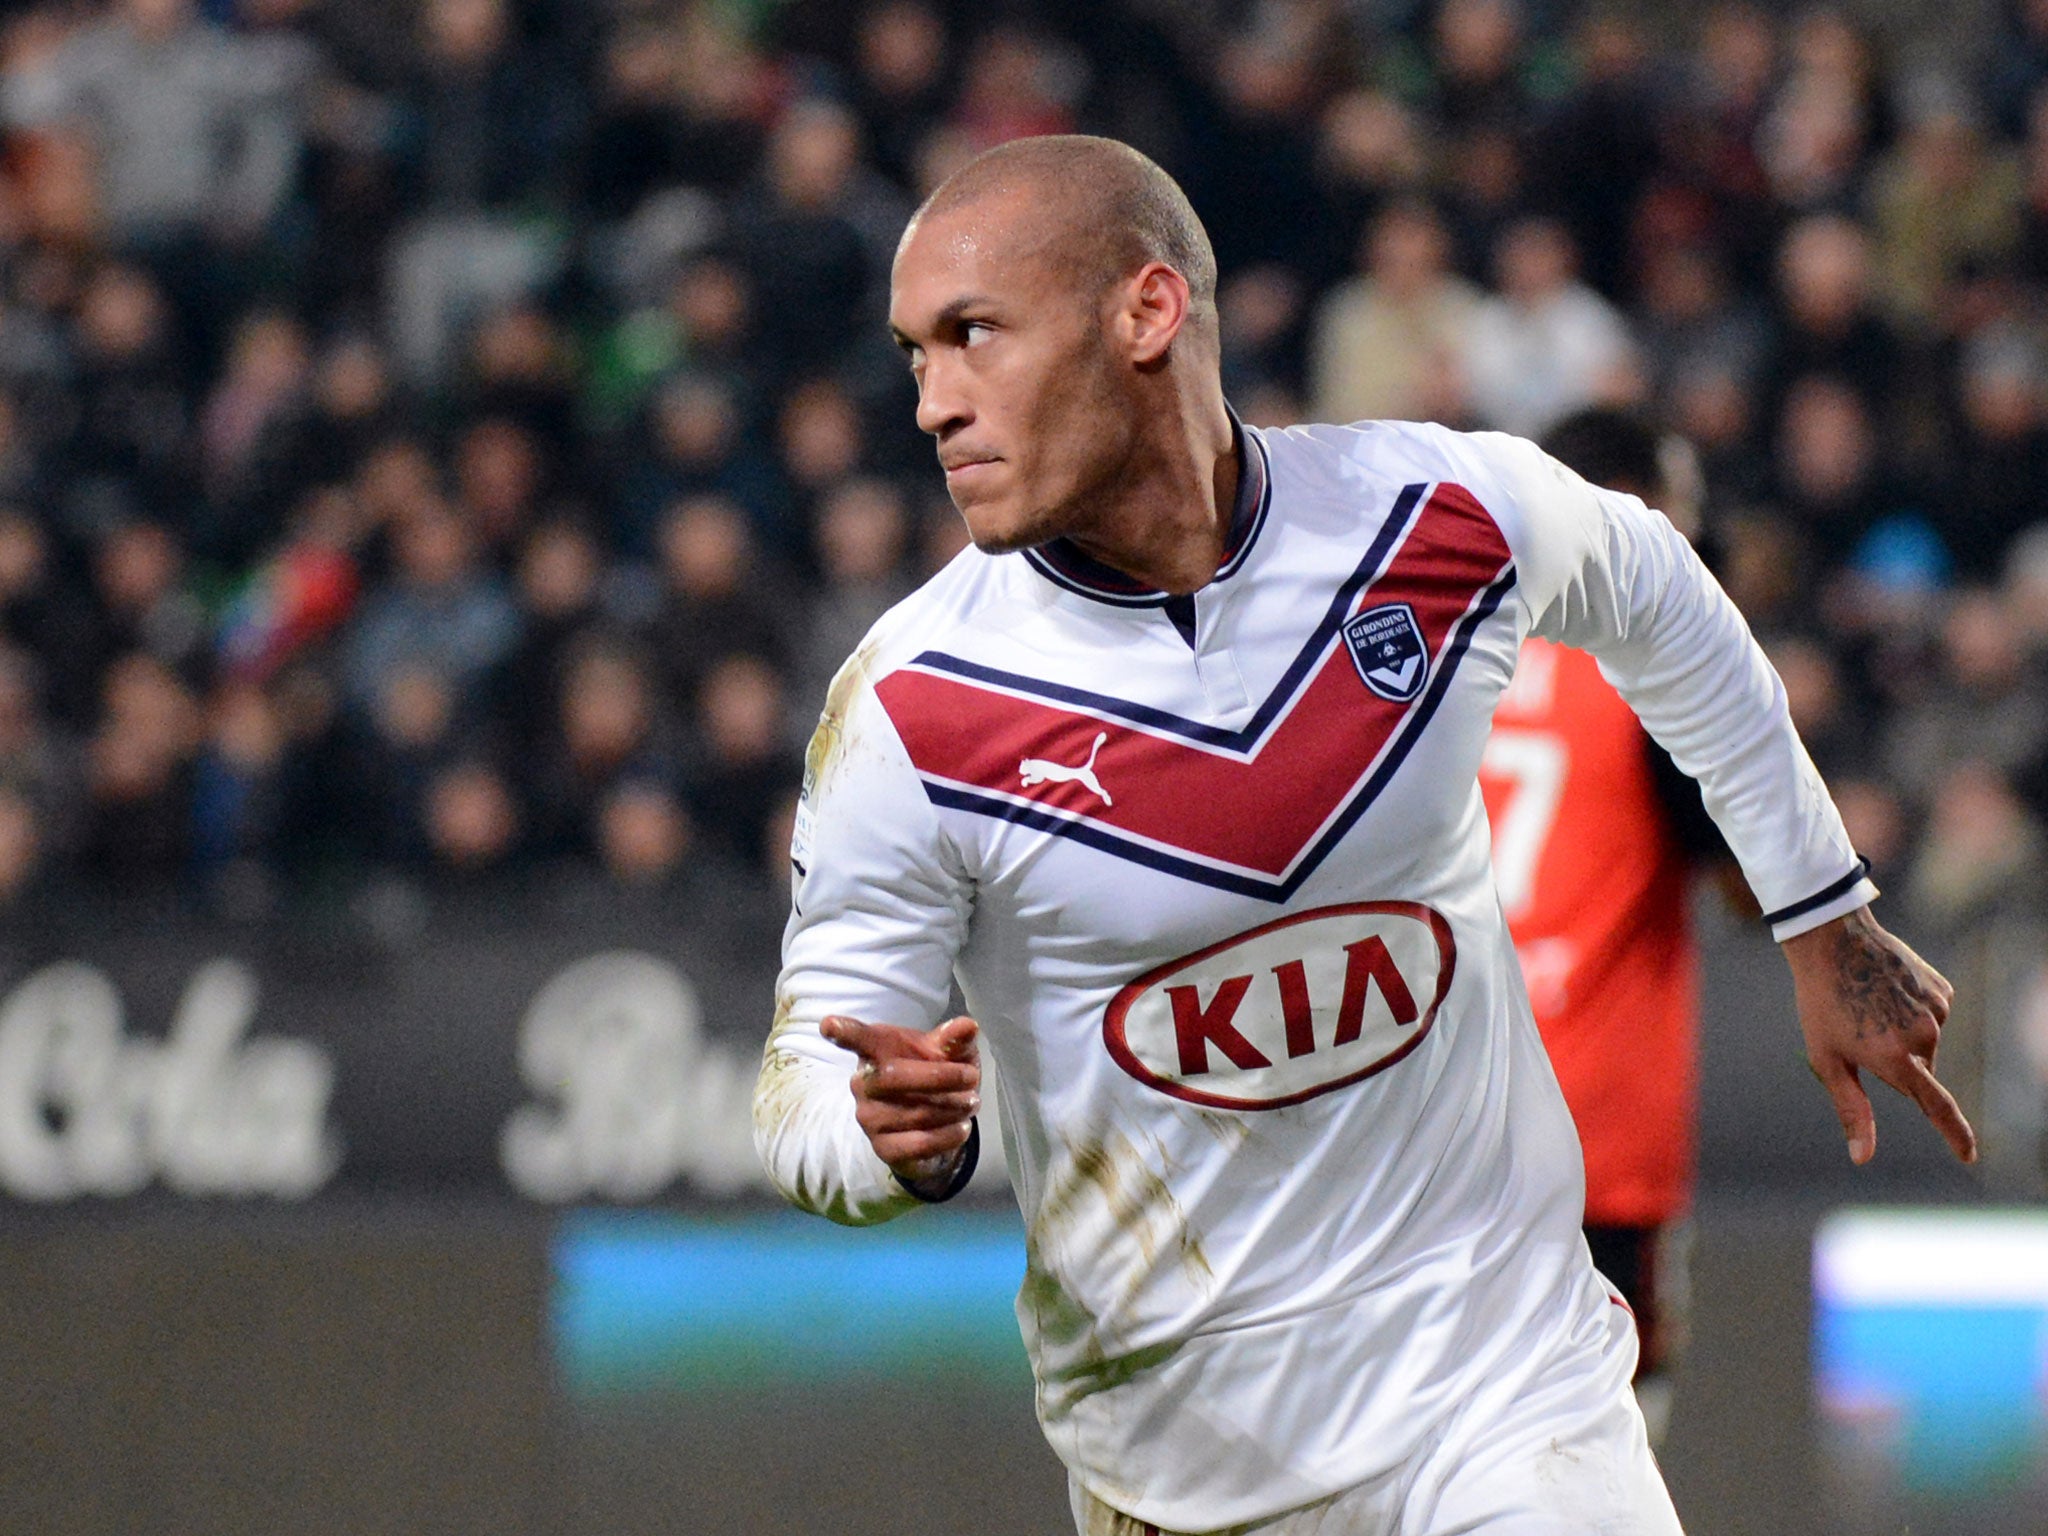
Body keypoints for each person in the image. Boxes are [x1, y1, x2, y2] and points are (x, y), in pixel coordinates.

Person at [752, 136, 1975, 1536]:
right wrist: (879, 1143)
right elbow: (806, 1080)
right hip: (1186, 1463)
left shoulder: (1428, 515)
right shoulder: (912, 710)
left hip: (1506, 1389)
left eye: (972, 337)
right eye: (917, 357)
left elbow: (1656, 588)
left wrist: (1820, 910)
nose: (933, 404)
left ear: (1148, 313)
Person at [1476, 408, 1738, 1446]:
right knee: (1606, 1456)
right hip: (1599, 1138)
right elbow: (1753, 882)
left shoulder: (1447, 648)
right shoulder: (1654, 671)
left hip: (1445, 1114)